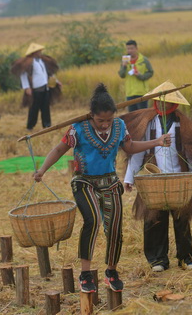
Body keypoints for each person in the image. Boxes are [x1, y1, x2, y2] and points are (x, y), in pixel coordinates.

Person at [33, 83, 171, 293]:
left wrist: (157, 142)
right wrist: (42, 170)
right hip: (84, 182)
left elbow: (130, 147)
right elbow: (59, 149)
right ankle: (86, 274)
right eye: (100, 120)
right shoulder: (78, 129)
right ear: (91, 115)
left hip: (110, 182)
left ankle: (111, 271)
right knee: (93, 220)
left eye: (108, 119)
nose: (105, 124)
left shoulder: (119, 127)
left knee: (115, 227)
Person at [121, 81, 192, 272]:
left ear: (174, 104)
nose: (162, 105)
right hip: (154, 178)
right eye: (159, 101)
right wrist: (129, 178)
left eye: (166, 102)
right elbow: (136, 152)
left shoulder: (183, 124)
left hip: (180, 177)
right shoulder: (147, 122)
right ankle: (157, 260)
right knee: (154, 217)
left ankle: (186, 258)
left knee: (182, 218)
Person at [11, 43, 62, 130]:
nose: (40, 52)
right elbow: (23, 75)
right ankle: (30, 126)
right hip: (35, 88)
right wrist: (27, 87)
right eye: (38, 51)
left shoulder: (42, 61)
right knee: (34, 108)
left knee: (45, 107)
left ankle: (47, 125)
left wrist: (56, 81)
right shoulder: (28, 63)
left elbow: (49, 73)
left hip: (45, 87)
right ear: (34, 52)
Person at [118, 40, 154, 112]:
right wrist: (124, 66)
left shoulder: (144, 60)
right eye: (128, 49)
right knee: (132, 116)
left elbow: (151, 72)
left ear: (136, 48)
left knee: (142, 115)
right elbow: (121, 75)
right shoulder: (125, 60)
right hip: (129, 93)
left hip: (142, 93)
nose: (130, 50)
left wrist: (140, 76)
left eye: (132, 48)